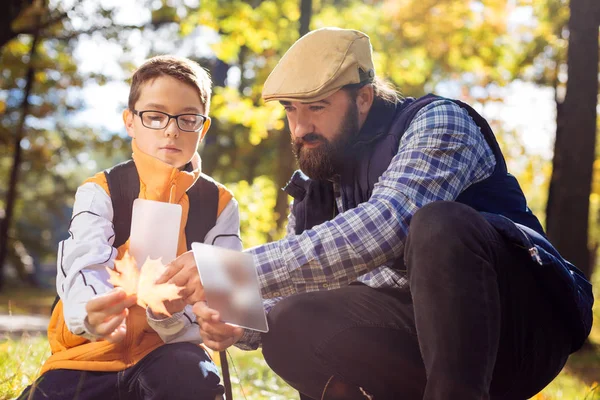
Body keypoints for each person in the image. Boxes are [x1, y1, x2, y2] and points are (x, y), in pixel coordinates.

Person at [161, 28, 594, 400]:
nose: (300, 127)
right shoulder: (314, 185)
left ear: (363, 98)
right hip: (417, 340)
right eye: (291, 109)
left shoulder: (437, 122)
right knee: (290, 318)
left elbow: (386, 226)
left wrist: (228, 271)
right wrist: (235, 318)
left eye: (316, 107)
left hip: (520, 330)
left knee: (437, 224)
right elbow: (274, 300)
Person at [19, 55, 242, 400]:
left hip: (168, 355)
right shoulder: (101, 191)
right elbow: (84, 266)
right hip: (87, 356)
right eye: (155, 117)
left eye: (187, 119)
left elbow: (227, 301)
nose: (171, 130)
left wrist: (223, 324)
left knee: (192, 379)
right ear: (130, 122)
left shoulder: (220, 204)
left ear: (203, 127)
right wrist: (92, 315)